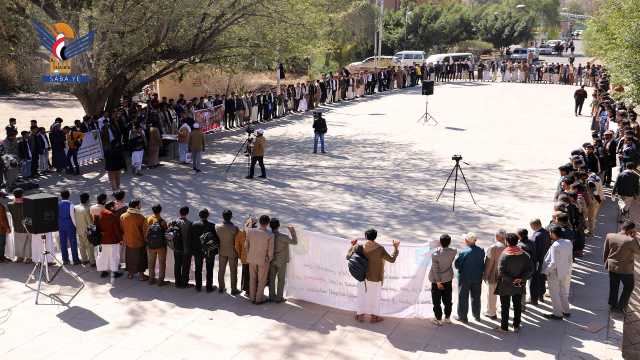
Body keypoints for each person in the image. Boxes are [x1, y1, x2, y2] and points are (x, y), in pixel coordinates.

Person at [347, 228, 399, 323]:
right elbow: (392, 259)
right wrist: (396, 248)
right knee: (375, 297)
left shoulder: (358, 246)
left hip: (361, 276)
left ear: (366, 237)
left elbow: (348, 256)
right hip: (375, 277)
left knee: (361, 295)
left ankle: (360, 315)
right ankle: (374, 317)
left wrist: (352, 245)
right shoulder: (380, 249)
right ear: (375, 237)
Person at [495, 233, 533, 333]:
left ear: (507, 242)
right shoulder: (524, 255)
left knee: (505, 306)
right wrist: (520, 278)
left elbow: (501, 272)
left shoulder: (504, 255)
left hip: (505, 285)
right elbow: (530, 269)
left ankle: (504, 327)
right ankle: (516, 325)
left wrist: (512, 279)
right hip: (519, 284)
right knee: (517, 305)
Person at [603, 220, 640, 312]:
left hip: (612, 266)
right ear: (630, 230)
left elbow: (606, 251)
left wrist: (606, 263)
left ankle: (612, 305)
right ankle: (620, 307)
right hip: (625, 269)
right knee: (629, 287)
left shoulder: (610, 236)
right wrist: (635, 237)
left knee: (614, 286)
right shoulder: (630, 240)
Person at [542, 225, 574, 320]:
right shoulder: (568, 242)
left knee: (554, 293)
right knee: (563, 291)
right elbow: (569, 258)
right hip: (564, 271)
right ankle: (566, 310)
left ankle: (557, 314)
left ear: (554, 234)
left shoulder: (555, 245)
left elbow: (553, 262)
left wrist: (545, 271)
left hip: (555, 273)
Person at [454, 232, 485, 323]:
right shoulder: (481, 250)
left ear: (466, 241)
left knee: (463, 297)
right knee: (476, 297)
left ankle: (463, 317)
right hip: (477, 278)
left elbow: (457, 265)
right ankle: (477, 316)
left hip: (465, 278)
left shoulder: (464, 252)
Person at [428, 234, 457, 325]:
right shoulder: (453, 251)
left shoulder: (435, 254)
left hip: (437, 281)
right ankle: (447, 317)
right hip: (448, 278)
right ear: (450, 242)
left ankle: (438, 318)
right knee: (448, 299)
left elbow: (435, 269)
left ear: (440, 242)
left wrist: (438, 282)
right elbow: (448, 249)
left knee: (436, 301)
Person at [245, 215, 274, 304]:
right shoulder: (270, 234)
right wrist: (269, 259)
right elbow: (270, 250)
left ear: (259, 222)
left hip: (251, 258)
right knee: (262, 279)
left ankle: (252, 297)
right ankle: (259, 298)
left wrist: (248, 255)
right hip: (263, 260)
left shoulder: (250, 231)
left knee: (252, 278)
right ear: (268, 223)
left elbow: (246, 245)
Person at [187, 208, 218, 292]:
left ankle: (198, 286)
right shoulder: (212, 225)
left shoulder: (194, 224)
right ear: (208, 216)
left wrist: (191, 250)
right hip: (209, 250)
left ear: (199, 215)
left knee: (198, 269)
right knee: (209, 269)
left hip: (197, 250)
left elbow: (190, 238)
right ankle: (209, 287)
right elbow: (216, 240)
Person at [268, 218, 298, 303]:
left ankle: (271, 296)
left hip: (271, 259)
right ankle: (279, 297)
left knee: (271, 278)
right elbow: (295, 242)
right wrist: (292, 231)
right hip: (281, 260)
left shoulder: (268, 235)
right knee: (281, 279)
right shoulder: (283, 237)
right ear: (279, 226)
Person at [120, 199, 148, 280]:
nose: (140, 206)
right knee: (140, 259)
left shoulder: (123, 216)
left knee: (129, 258)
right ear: (136, 206)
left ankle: (130, 274)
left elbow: (122, 229)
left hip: (128, 241)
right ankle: (141, 275)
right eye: (140, 205)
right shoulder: (140, 217)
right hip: (139, 242)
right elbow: (144, 231)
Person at [483, 229, 506, 320]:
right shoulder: (508, 246)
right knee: (504, 295)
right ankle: (502, 311)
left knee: (492, 294)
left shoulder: (493, 247)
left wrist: (485, 275)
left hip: (494, 275)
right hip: (505, 275)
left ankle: (491, 313)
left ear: (497, 237)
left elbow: (489, 263)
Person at [95, 201, 123, 278]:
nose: (116, 207)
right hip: (112, 240)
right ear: (111, 207)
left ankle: (103, 271)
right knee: (113, 256)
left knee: (103, 256)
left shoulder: (101, 213)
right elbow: (116, 229)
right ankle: (114, 272)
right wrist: (120, 239)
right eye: (115, 205)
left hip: (102, 239)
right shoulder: (111, 215)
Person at [216, 209, 240, 294]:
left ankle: (221, 287)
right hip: (232, 252)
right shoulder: (235, 228)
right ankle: (233, 289)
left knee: (221, 270)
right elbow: (238, 241)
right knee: (233, 271)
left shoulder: (217, 227)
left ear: (223, 216)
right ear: (231, 217)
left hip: (222, 250)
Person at [144, 204, 168, 286]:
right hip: (161, 246)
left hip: (151, 246)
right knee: (162, 263)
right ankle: (160, 281)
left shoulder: (148, 219)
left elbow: (146, 232)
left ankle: (151, 279)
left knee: (151, 263)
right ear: (160, 211)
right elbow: (166, 233)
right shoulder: (162, 221)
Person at [530, 219, 552, 305]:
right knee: (542, 278)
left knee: (535, 280)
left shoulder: (536, 236)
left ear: (534, 225)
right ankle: (541, 296)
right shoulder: (546, 232)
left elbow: (534, 250)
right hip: (545, 259)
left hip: (537, 261)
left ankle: (534, 299)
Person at [8, 188, 31, 263]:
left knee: (18, 243)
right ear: (22, 195)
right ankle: (28, 258)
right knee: (28, 243)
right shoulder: (27, 204)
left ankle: (19, 257)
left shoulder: (10, 205)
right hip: (27, 226)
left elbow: (12, 203)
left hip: (17, 226)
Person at [58, 190, 81, 265]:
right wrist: (76, 226)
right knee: (73, 242)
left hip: (61, 225)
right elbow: (72, 217)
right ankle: (75, 259)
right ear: (69, 195)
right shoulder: (71, 205)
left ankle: (65, 259)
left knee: (63, 242)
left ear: (61, 196)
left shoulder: (58, 204)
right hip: (70, 225)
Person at [172, 206, 191, 288]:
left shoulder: (174, 222)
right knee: (185, 266)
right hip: (185, 248)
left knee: (177, 265)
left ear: (180, 213)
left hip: (176, 248)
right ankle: (184, 283)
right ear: (187, 213)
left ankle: (177, 282)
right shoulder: (189, 224)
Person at [236, 217, 255, 295]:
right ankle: (252, 289)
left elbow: (237, 246)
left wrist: (240, 255)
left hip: (244, 257)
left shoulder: (240, 233)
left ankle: (246, 289)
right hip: (254, 257)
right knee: (253, 274)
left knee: (245, 273)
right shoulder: (256, 233)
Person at [74, 192, 94, 266]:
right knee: (89, 246)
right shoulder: (87, 209)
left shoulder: (75, 207)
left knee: (81, 246)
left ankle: (84, 259)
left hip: (78, 229)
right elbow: (90, 222)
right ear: (87, 200)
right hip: (86, 230)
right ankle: (92, 261)